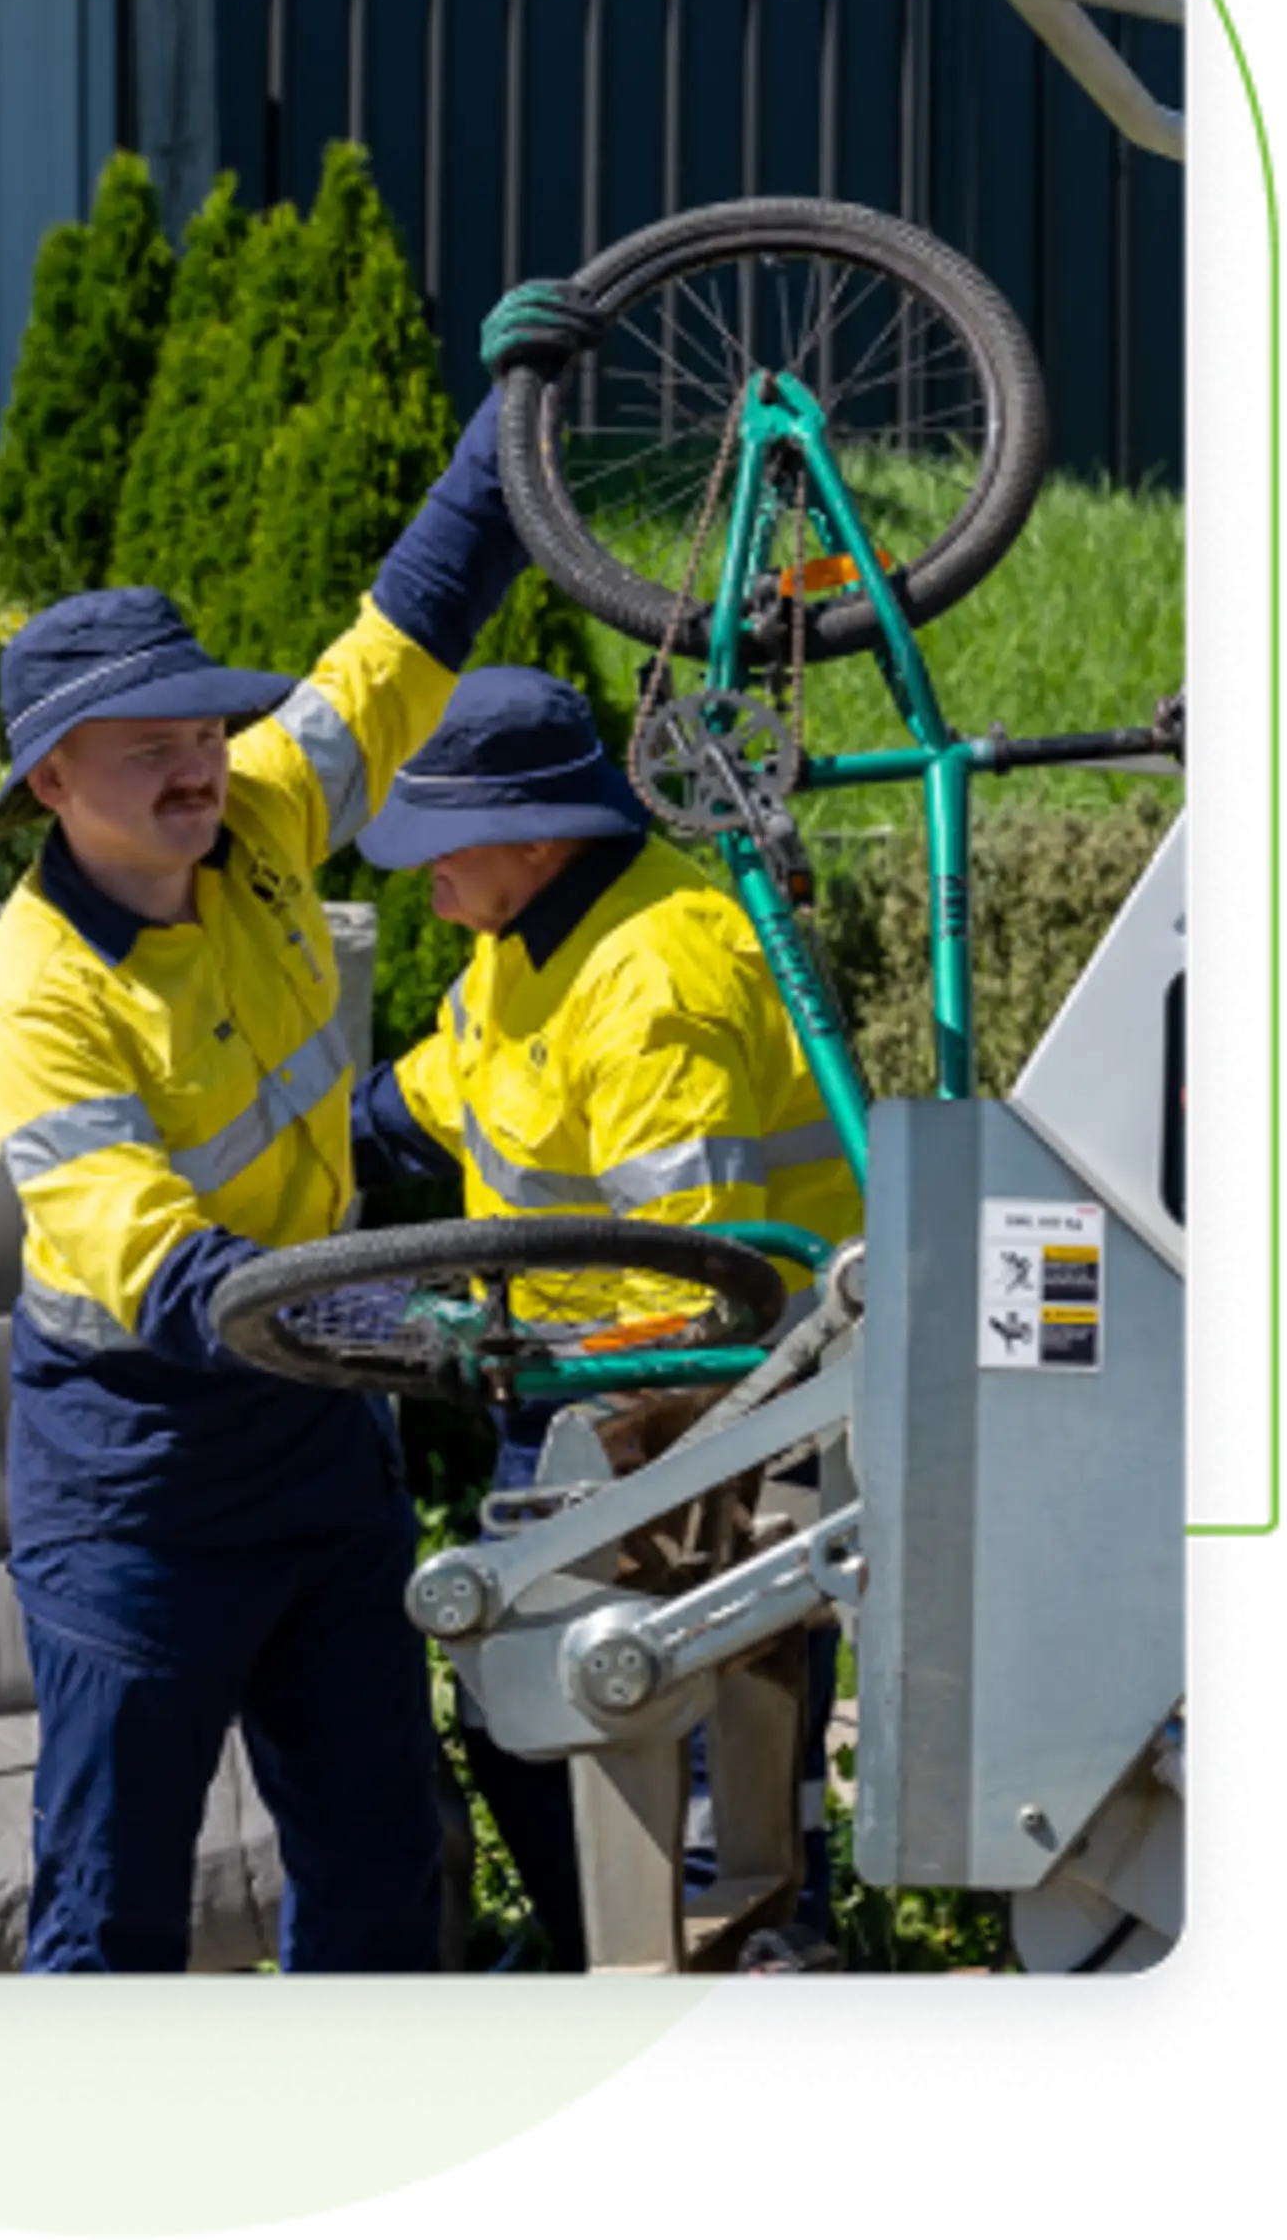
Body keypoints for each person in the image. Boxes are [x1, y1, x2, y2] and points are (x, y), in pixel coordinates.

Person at [0, 343, 568, 1979]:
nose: (194, 761)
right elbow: (162, 1272)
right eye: (140, 742)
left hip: (315, 1454)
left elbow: (400, 645)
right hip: (142, 1483)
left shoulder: (259, 820)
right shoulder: (30, 997)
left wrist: (511, 428)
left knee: (383, 1872)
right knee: (111, 1914)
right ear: (49, 786)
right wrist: (405, 1333)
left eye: (202, 723)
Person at [347, 664, 864, 1978]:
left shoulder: (650, 982)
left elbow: (704, 1296)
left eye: (437, 841)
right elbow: (436, 1095)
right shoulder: (518, 936)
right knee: (525, 1716)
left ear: (537, 833)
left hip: (705, 1436)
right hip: (572, 1402)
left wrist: (510, 1355)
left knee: (682, 1759)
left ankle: (717, 1973)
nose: (418, 873)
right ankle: (603, 1959)